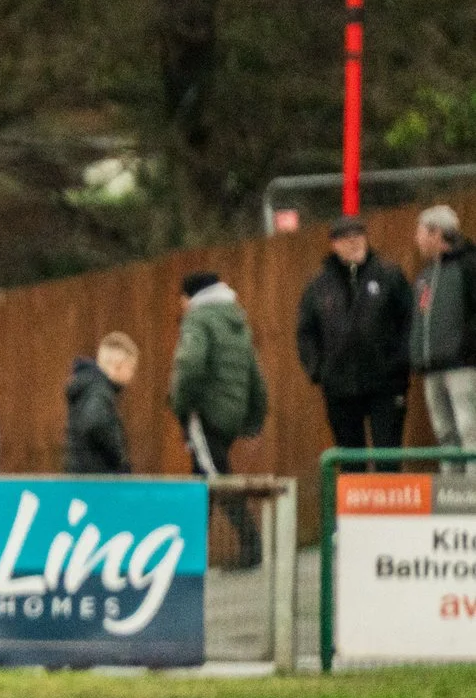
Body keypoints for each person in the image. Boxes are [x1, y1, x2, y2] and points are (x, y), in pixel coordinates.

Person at [170, 271, 270, 567]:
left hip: (205, 413)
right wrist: (254, 417)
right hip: (231, 414)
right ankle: (190, 554)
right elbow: (254, 373)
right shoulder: (235, 318)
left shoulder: (199, 319)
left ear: (190, 298)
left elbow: (189, 364)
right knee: (205, 479)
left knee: (215, 479)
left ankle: (250, 548)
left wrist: (181, 405)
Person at [298, 215, 411, 458]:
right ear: (334, 244)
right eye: (345, 238)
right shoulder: (319, 285)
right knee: (350, 459)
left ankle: (389, 494)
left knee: (388, 455)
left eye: (358, 236)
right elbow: (306, 332)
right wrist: (318, 369)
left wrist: (399, 363)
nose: (353, 242)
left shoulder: (389, 275)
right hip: (339, 386)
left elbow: (409, 321)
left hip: (386, 383)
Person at [410, 206, 476, 448]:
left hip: (463, 366)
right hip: (432, 367)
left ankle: (472, 483)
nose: (417, 240)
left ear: (436, 233)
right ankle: (450, 483)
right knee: (444, 431)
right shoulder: (425, 275)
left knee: (469, 427)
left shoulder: (469, 266)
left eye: (420, 233)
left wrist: (467, 350)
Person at [63, 334, 139, 475]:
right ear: (118, 365)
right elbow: (95, 421)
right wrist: (118, 458)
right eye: (131, 368)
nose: (132, 376)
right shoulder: (99, 389)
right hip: (97, 480)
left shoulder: (89, 386)